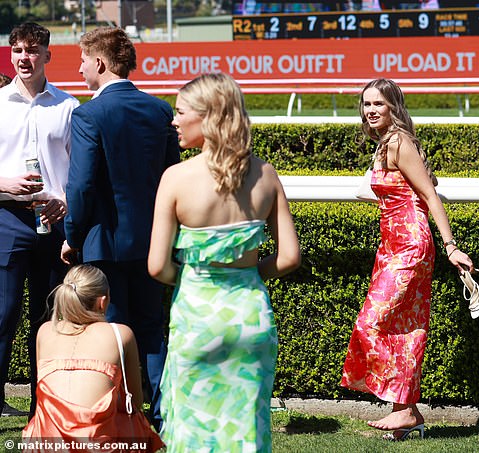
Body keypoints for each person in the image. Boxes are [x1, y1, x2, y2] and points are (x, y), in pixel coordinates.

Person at [147, 73, 301, 452]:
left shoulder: (176, 178)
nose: (174, 120)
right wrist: (248, 273)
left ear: (208, 117)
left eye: (180, 112)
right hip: (251, 317)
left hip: (198, 318)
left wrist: (193, 277)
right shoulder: (265, 174)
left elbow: (156, 266)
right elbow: (289, 258)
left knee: (192, 430)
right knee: (247, 429)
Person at [340, 78, 475, 441]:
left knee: (371, 323)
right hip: (391, 244)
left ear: (393, 107)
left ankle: (405, 410)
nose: (370, 111)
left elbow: (430, 195)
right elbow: (400, 192)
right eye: (366, 104)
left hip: (411, 246)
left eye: (378, 104)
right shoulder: (384, 143)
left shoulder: (399, 142)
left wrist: (451, 246)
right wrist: (391, 199)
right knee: (402, 329)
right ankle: (407, 413)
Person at [61, 26, 180, 430]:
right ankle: (162, 418)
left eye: (82, 61)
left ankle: (120, 418)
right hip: (153, 243)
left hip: (103, 245)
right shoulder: (161, 111)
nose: (79, 69)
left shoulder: (88, 114)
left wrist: (72, 237)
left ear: (99, 63)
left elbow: (80, 186)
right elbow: (172, 179)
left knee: (110, 334)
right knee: (152, 331)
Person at [0, 22, 79, 418]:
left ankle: (44, 411)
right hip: (7, 220)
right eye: (17, 50)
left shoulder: (68, 106)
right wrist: (5, 183)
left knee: (48, 322)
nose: (24, 57)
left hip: (54, 224)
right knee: (2, 316)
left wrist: (64, 200)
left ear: (48, 55)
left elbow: (80, 172)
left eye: (32, 50)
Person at [22, 264, 164, 451]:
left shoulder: (46, 331)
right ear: (103, 302)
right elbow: (134, 402)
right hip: (97, 443)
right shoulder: (120, 334)